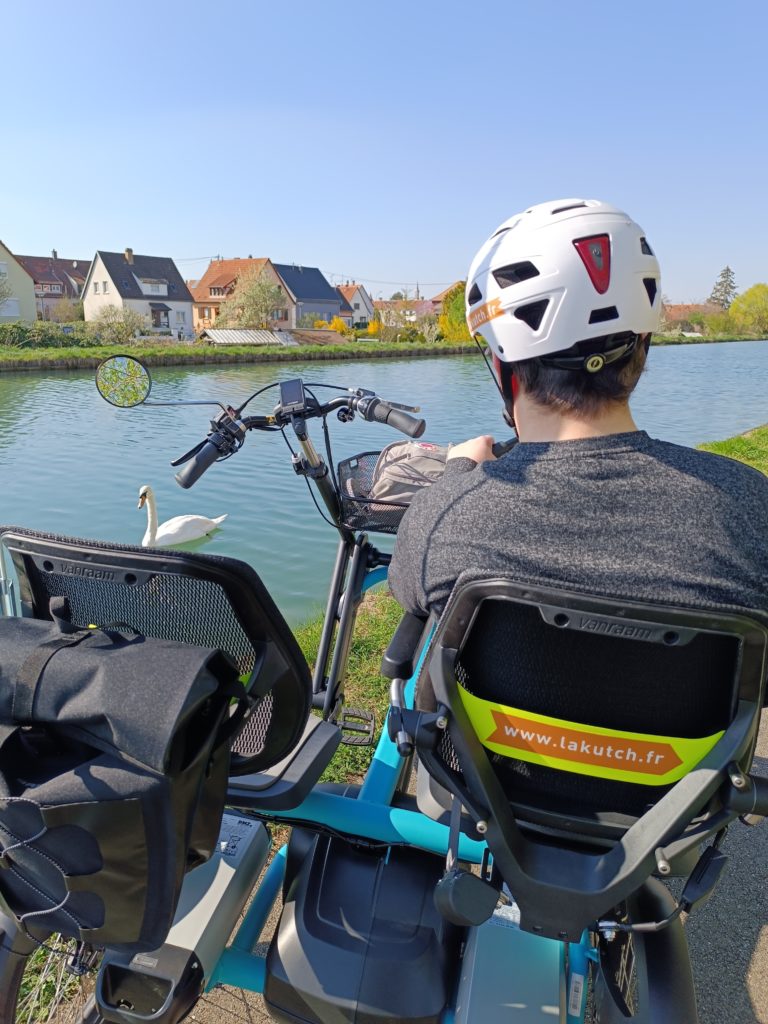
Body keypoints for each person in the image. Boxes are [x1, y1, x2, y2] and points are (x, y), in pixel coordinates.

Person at [388, 199, 768, 621]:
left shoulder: (443, 520)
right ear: (642, 347)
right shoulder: (749, 504)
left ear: (501, 364)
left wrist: (458, 476)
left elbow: (408, 591)